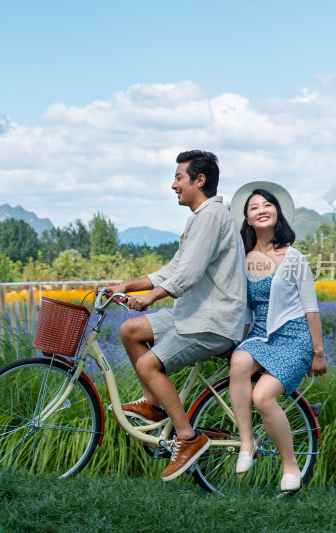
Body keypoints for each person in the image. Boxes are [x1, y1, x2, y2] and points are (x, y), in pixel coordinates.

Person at [109, 149, 247, 482]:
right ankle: (154, 403)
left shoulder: (212, 217)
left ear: (200, 180)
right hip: (192, 312)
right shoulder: (199, 218)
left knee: (148, 364)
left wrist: (150, 297)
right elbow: (174, 268)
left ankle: (187, 437)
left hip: (213, 321)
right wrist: (129, 284)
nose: (173, 185)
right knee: (130, 331)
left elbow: (189, 275)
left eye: (178, 177)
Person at [227, 181, 327, 492]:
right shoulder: (242, 259)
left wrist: (318, 353)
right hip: (260, 335)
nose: (261, 210)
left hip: (295, 337)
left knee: (262, 397)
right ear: (247, 219)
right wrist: (235, 340)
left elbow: (311, 308)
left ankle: (290, 466)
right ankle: (246, 444)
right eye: (253, 207)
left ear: (277, 212)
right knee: (238, 361)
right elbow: (244, 310)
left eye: (266, 205)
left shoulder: (294, 257)